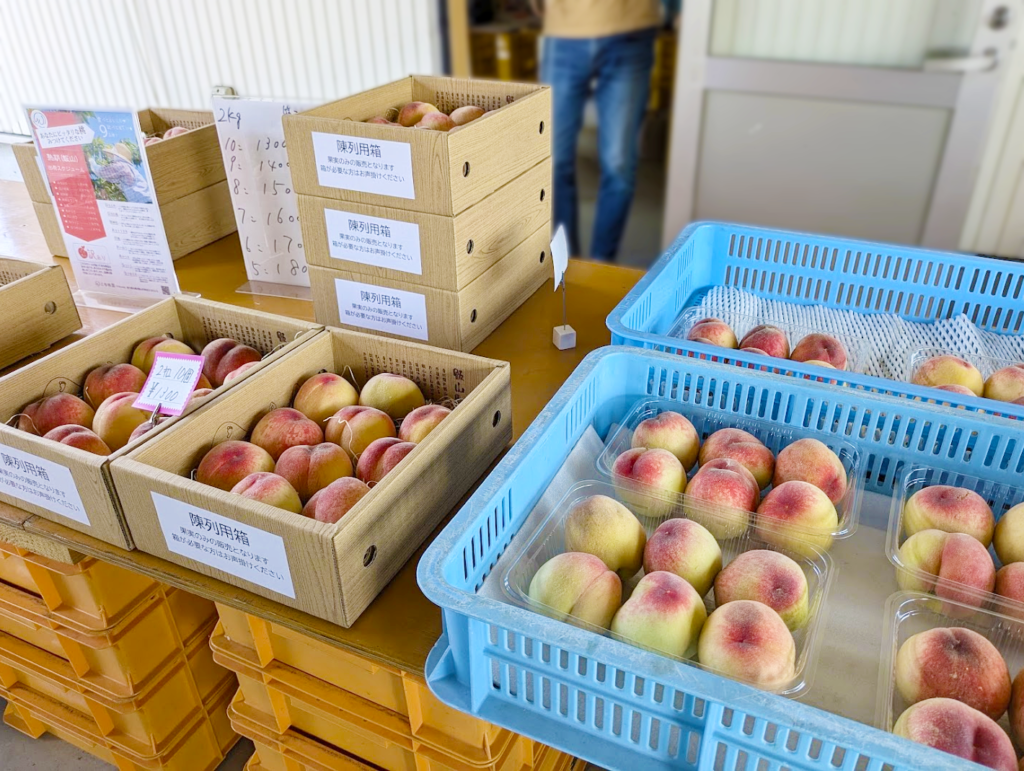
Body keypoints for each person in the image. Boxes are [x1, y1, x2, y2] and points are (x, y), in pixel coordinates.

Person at [533, 0, 661, 261]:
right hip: (564, 31)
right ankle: (566, 266)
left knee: (618, 164)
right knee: (552, 161)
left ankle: (603, 263)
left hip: (630, 27)